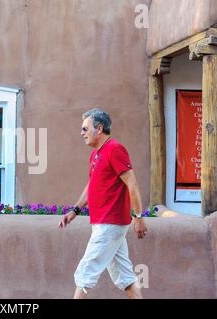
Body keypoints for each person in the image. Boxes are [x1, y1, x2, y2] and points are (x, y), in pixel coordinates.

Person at [58, 108, 148, 299]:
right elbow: (92, 185)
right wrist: (75, 210)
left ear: (99, 129)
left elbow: (132, 183)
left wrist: (139, 217)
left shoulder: (115, 149)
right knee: (125, 277)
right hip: (106, 224)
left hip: (110, 224)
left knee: (85, 272)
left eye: (85, 128)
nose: (81, 133)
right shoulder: (96, 155)